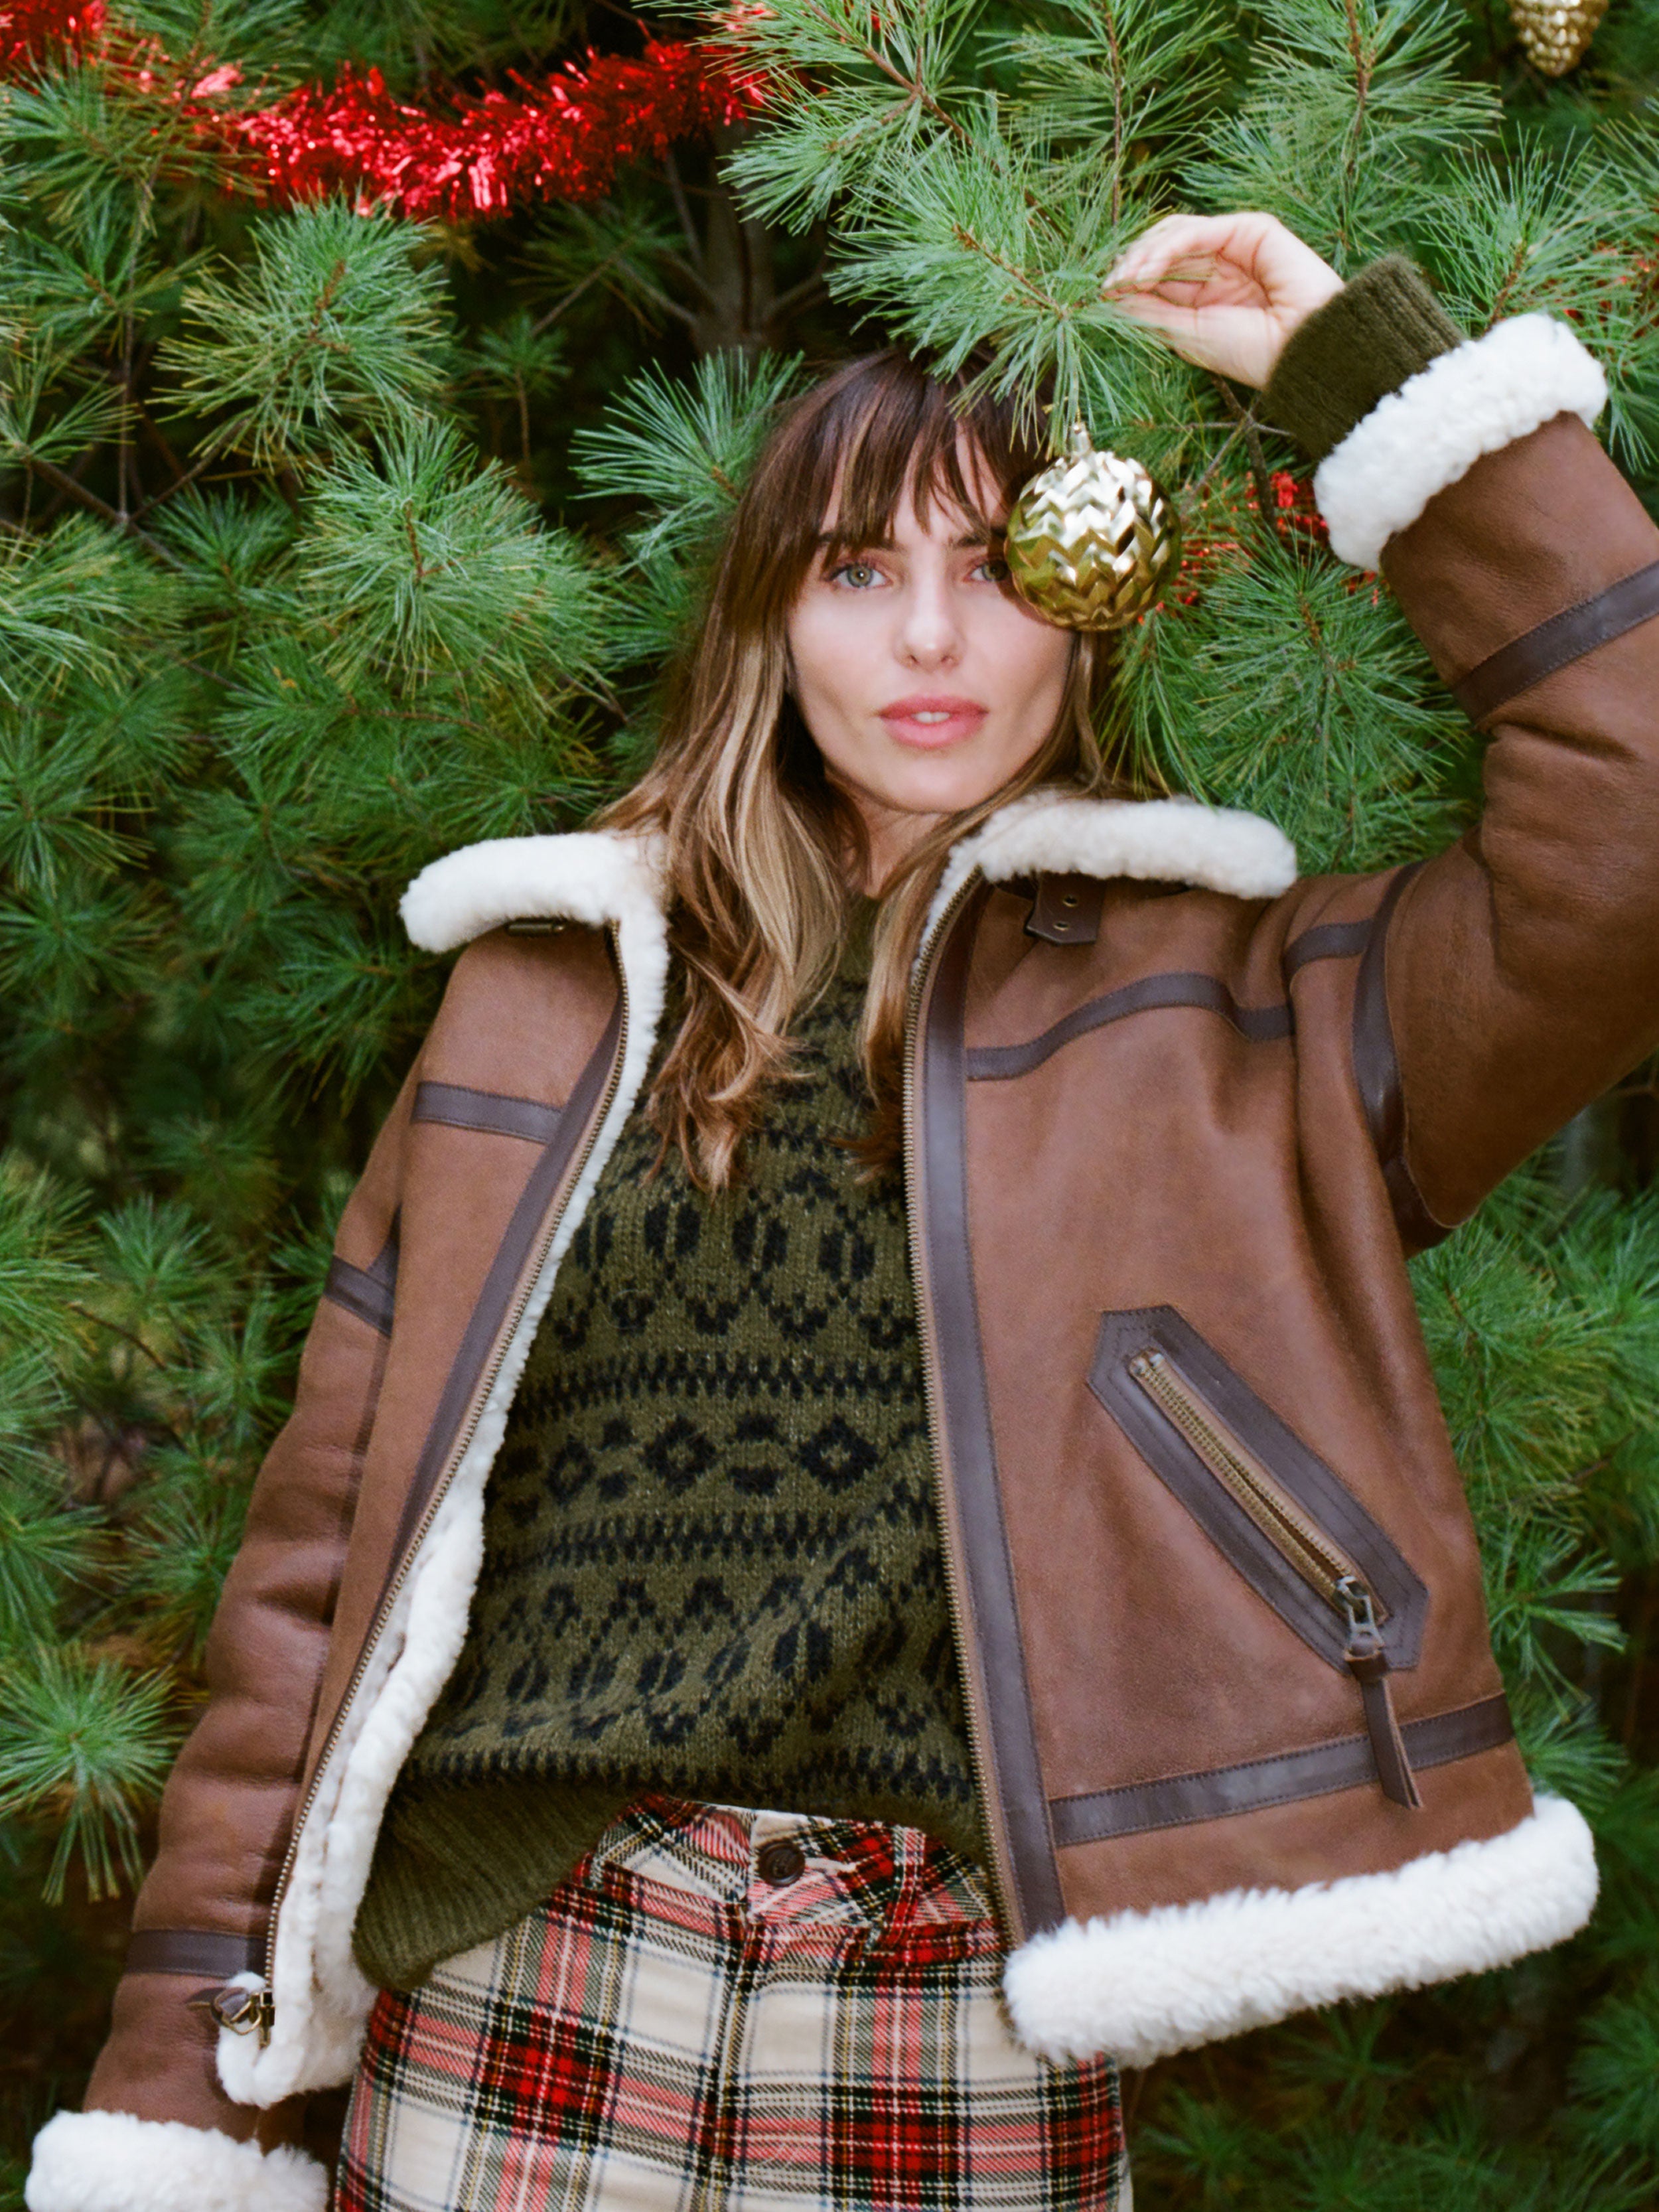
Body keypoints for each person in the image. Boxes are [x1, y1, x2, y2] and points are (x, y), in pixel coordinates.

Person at [26, 208, 1659, 2212]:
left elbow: (1629, 834)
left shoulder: (1248, 1015)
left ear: (1094, 604)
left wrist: (1358, 381)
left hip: (964, 2009)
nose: (925, 643)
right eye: (857, 570)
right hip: (524, 1972)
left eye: (996, 572)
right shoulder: (548, 988)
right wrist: (182, 2106)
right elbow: (315, 1582)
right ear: (766, 618)